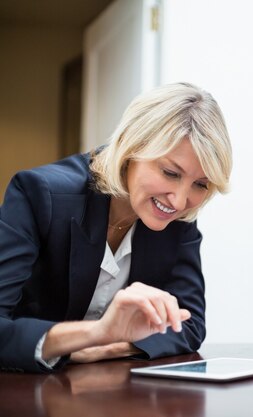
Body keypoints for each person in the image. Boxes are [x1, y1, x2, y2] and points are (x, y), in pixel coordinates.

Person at [0, 82, 232, 373]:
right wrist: (93, 334)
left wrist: (112, 345)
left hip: (110, 389)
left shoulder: (178, 216)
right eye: (170, 173)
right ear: (131, 148)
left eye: (200, 184)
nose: (181, 200)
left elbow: (190, 323)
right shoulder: (40, 194)